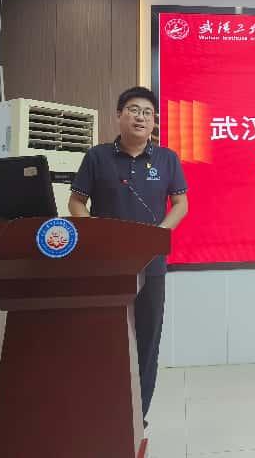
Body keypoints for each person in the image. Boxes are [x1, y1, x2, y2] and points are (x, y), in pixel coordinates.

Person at [68, 86, 188, 429]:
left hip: (152, 264)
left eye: (148, 113)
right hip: (106, 264)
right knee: (105, 336)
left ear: (154, 122)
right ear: (119, 115)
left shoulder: (167, 159)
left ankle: (138, 413)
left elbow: (181, 203)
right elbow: (76, 202)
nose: (141, 117)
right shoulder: (97, 157)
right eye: (133, 110)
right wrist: (97, 234)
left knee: (147, 340)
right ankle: (103, 407)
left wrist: (158, 234)